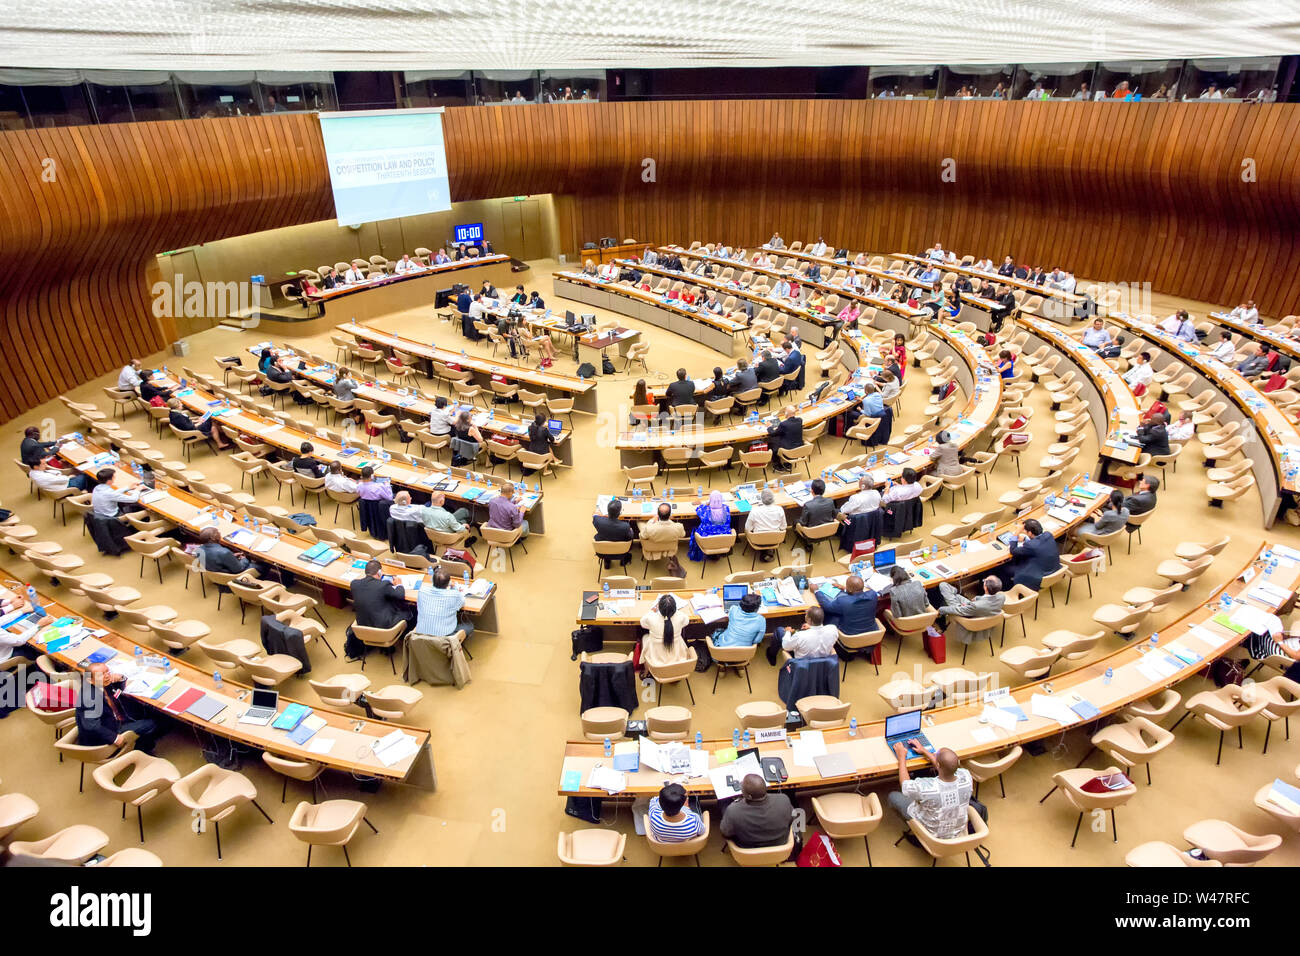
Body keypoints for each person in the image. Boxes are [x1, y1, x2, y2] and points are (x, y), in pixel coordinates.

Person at [888, 742, 973, 841]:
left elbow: (905, 785)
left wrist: (901, 757)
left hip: (932, 836)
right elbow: (946, 768)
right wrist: (924, 751)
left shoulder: (927, 787)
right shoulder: (966, 776)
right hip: (957, 831)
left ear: (938, 764)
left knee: (893, 796)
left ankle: (917, 834)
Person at [77, 663, 161, 754]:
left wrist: (121, 678)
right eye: (101, 675)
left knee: (145, 712)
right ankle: (141, 748)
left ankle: (141, 742)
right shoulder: (88, 698)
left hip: (114, 719)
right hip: (107, 734)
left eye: (107, 672)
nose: (107, 676)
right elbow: (91, 726)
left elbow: (118, 691)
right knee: (152, 723)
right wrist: (114, 738)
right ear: (90, 680)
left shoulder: (104, 683)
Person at [720, 775, 796, 850]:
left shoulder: (733, 811)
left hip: (747, 849)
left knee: (723, 803)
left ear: (749, 796)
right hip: (779, 846)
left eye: (742, 787)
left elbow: (725, 833)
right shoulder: (783, 800)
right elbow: (792, 819)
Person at [936, 575, 1006, 644]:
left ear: (985, 588)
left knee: (943, 585)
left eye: (984, 581)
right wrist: (977, 599)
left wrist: (941, 610)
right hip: (975, 611)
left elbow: (958, 610)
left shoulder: (976, 606)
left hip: (966, 615)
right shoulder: (1002, 597)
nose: (984, 581)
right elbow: (988, 600)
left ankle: (954, 591)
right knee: (956, 596)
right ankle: (955, 592)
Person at [350, 560, 415, 633]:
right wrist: (399, 584)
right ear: (379, 572)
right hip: (384, 626)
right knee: (408, 611)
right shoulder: (383, 585)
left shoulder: (354, 584)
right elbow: (400, 595)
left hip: (362, 624)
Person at [416, 568, 473, 640]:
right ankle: (452, 647)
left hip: (421, 635)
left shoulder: (422, 590)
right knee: (469, 626)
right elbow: (462, 602)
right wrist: (454, 587)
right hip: (444, 638)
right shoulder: (454, 595)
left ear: (432, 580)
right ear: (448, 583)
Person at [639, 593, 692, 670]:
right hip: (679, 659)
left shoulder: (651, 618)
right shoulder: (681, 616)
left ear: (659, 608)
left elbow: (643, 623)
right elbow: (686, 622)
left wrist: (652, 611)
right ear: (674, 608)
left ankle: (646, 670)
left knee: (644, 637)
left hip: (656, 662)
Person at [1007, 519, 1060, 590]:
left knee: (1003, 568)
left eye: (1024, 530)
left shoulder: (1030, 546)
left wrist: (1016, 533)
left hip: (1037, 576)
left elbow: (1013, 551)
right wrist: (1026, 539)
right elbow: (1038, 544)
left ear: (1030, 533)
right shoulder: (1048, 535)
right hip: (1053, 570)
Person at [773, 605, 838, 661]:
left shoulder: (800, 636)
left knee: (779, 630)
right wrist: (811, 627)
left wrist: (788, 632)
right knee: (802, 626)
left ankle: (771, 655)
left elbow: (786, 646)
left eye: (806, 614)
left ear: (809, 620)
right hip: (823, 661)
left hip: (802, 664)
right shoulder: (833, 629)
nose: (805, 615)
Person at [167, 397, 232, 450]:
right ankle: (220, 442)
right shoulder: (178, 416)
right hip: (191, 432)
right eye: (180, 403)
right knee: (211, 421)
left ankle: (221, 434)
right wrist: (200, 422)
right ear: (177, 405)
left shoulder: (172, 413)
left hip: (187, 429)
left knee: (211, 423)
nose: (182, 404)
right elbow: (189, 427)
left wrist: (197, 421)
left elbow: (185, 423)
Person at [689, 491, 732, 563]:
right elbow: (723, 506)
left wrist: (706, 503)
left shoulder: (705, 510)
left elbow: (698, 509)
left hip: (707, 541)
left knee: (695, 529)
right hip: (724, 540)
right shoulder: (726, 509)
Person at [744, 489, 786, 562]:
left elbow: (748, 528)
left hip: (757, 540)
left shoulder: (754, 511)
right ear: (773, 499)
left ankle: (765, 551)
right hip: (775, 539)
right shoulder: (780, 509)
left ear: (761, 499)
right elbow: (783, 527)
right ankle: (768, 551)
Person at [593, 498, 634, 569]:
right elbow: (630, 537)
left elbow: (594, 514)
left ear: (607, 511)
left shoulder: (598, 521)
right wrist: (631, 529)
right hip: (621, 552)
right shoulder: (625, 526)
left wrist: (603, 516)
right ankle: (623, 560)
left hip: (603, 551)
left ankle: (607, 561)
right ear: (620, 513)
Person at [767, 405, 804, 471]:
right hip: (799, 448)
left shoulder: (784, 424)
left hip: (788, 450)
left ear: (786, 413)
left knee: (772, 441)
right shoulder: (800, 420)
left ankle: (777, 464)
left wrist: (769, 427)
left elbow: (773, 433)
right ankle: (787, 464)